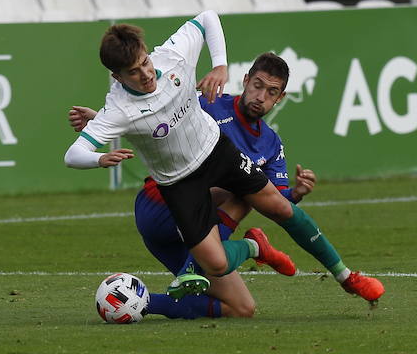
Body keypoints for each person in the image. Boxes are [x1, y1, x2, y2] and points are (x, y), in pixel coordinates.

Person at [63, 11, 384, 307]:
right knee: (216, 263)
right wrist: (100, 158)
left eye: (145, 62)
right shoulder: (118, 110)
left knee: (279, 206)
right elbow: (73, 155)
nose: (146, 73)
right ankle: (254, 247)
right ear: (117, 77)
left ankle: (346, 276)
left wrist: (220, 65)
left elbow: (207, 18)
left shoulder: (173, 55)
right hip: (178, 184)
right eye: (133, 72)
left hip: (217, 152)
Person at [71, 51, 337, 319]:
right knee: (240, 186)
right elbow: (155, 119)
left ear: (280, 98)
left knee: (242, 308)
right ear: (245, 81)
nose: (261, 97)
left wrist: (297, 193)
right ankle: (250, 248)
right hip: (164, 208)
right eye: (258, 86)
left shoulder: (271, 144)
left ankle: (139, 304)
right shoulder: (209, 103)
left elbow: (277, 201)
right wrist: (99, 119)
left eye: (271, 92)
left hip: (203, 232)